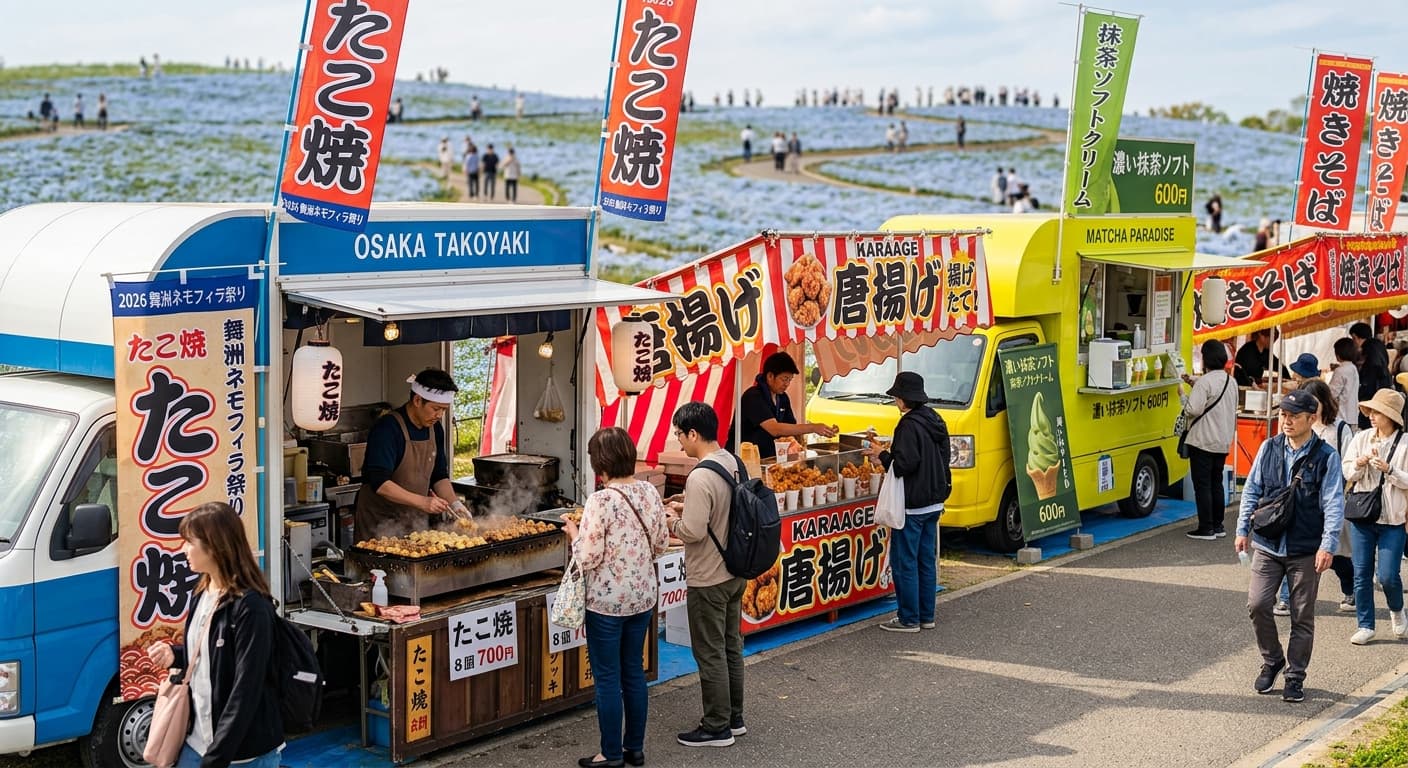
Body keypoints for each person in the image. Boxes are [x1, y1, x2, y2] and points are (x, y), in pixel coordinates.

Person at [146, 502, 284, 768]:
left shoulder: (251, 608)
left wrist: (216, 757)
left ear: (215, 546)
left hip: (243, 755)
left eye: (189, 542)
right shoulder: (202, 592)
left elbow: (247, 689)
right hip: (198, 742)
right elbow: (212, 656)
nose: (183, 550)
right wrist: (175, 654)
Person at [563, 428, 670, 768]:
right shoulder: (649, 492)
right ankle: (634, 749)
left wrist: (573, 532)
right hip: (642, 597)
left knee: (608, 677)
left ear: (600, 464)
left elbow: (588, 556)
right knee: (633, 672)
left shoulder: (601, 500)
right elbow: (662, 543)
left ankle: (609, 754)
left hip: (607, 603)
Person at [1235, 388, 1345, 703]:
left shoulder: (1326, 457)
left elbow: (1334, 503)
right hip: (1268, 544)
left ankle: (1295, 676)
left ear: (1312, 418)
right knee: (1257, 604)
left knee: (1301, 615)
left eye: (1294, 416)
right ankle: (1272, 660)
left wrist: (1328, 545)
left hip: (1306, 548)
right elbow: (1252, 490)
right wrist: (1242, 529)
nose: (1286, 421)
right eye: (1283, 414)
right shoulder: (1268, 448)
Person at [664, 402, 746, 748]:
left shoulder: (699, 475)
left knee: (709, 651)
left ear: (693, 433)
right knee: (730, 646)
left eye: (680, 435)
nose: (679, 442)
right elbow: (722, 510)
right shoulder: (732, 461)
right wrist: (689, 508)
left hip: (708, 577)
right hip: (734, 571)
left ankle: (716, 727)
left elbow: (694, 531)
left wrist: (670, 520)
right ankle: (734, 717)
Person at [862, 372, 951, 632]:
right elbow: (942, 457)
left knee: (905, 562)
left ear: (902, 399)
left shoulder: (908, 425)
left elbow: (905, 465)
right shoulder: (935, 419)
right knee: (925, 560)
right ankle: (927, 616)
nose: (896, 402)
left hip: (912, 504)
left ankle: (909, 618)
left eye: (897, 397)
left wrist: (883, 455)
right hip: (935, 500)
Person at [353, 369, 470, 541]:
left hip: (414, 521)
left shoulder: (435, 428)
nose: (439, 416)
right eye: (436, 409)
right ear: (417, 400)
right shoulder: (387, 428)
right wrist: (423, 502)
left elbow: (439, 475)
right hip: (379, 522)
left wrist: (455, 503)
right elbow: (380, 482)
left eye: (444, 410)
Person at [1340, 388, 1408, 645]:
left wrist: (1390, 470)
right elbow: (1347, 471)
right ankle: (1365, 624)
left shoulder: (1405, 443)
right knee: (1361, 572)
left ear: (1391, 416)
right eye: (1370, 411)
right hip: (1362, 514)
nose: (1371, 416)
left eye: (1377, 412)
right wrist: (1359, 464)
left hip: (1393, 518)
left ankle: (1397, 609)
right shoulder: (1361, 438)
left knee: (1389, 575)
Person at [1300, 379, 1358, 613]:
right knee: (1303, 551)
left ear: (1324, 401)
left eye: (1313, 402)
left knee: (1338, 553)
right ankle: (1295, 597)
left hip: (1335, 498)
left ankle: (1349, 589)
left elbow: (1349, 463)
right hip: (1305, 499)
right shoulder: (1302, 426)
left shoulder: (1341, 428)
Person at [728, 351, 837, 460]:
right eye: (784, 379)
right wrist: (813, 427)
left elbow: (790, 427)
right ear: (770, 376)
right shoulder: (753, 396)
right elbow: (774, 428)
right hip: (744, 459)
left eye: (789, 380)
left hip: (770, 459)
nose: (787, 384)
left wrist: (799, 443)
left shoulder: (783, 398)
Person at [1183, 340, 1237, 540]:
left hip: (1203, 440)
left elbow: (1193, 410)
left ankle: (1205, 528)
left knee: (1202, 485)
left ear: (1205, 358)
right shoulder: (1231, 381)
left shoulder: (1205, 382)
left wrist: (1184, 398)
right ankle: (1218, 525)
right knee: (1216, 483)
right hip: (1222, 440)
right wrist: (1192, 382)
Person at [1351, 322, 1393, 429]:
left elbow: (1371, 370)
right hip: (1384, 386)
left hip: (1371, 391)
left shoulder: (1367, 348)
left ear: (1356, 337)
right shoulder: (1379, 345)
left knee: (1369, 424)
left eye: (1353, 338)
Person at [1331, 337, 1361, 427]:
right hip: (1353, 414)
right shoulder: (1353, 368)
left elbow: (1332, 393)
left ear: (1338, 354)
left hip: (1342, 415)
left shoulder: (1340, 370)